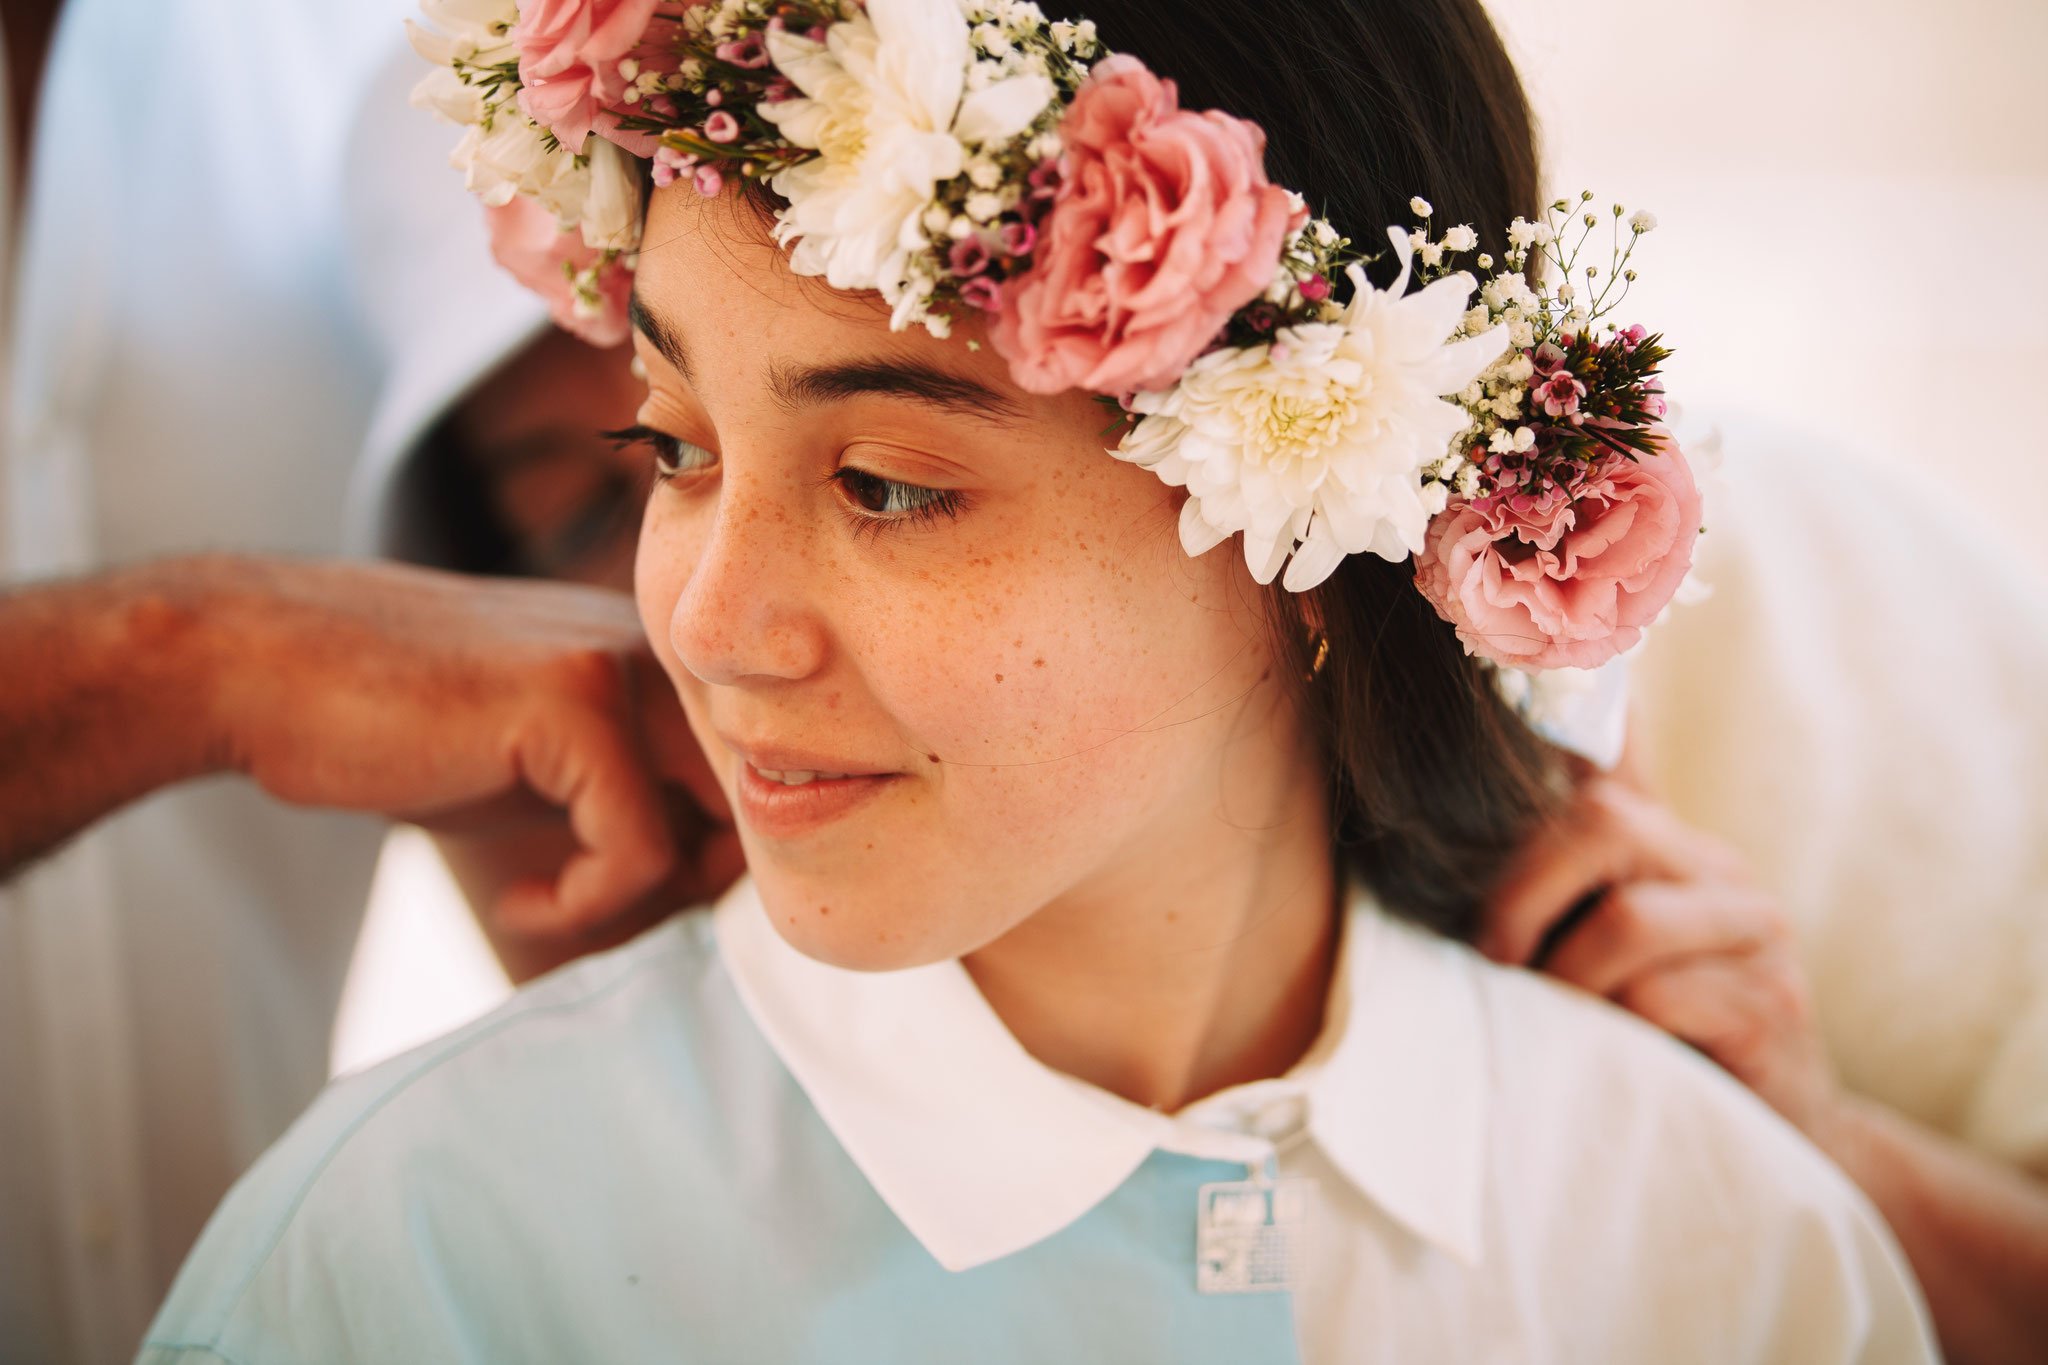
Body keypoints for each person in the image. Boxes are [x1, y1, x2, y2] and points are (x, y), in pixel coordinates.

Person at [134, 0, 1939, 1360]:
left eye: (885, 485)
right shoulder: (411, 1262)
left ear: (1324, 521)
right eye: (671, 443)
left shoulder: (1736, 1255)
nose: (707, 620)